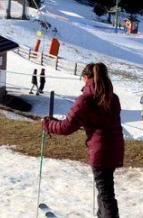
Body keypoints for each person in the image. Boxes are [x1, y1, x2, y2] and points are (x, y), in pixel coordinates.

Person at [42, 63, 124, 218]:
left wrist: (47, 124)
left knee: (106, 194)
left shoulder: (86, 99)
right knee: (105, 190)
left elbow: (66, 127)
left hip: (100, 151)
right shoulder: (113, 98)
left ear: (86, 78)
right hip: (115, 147)